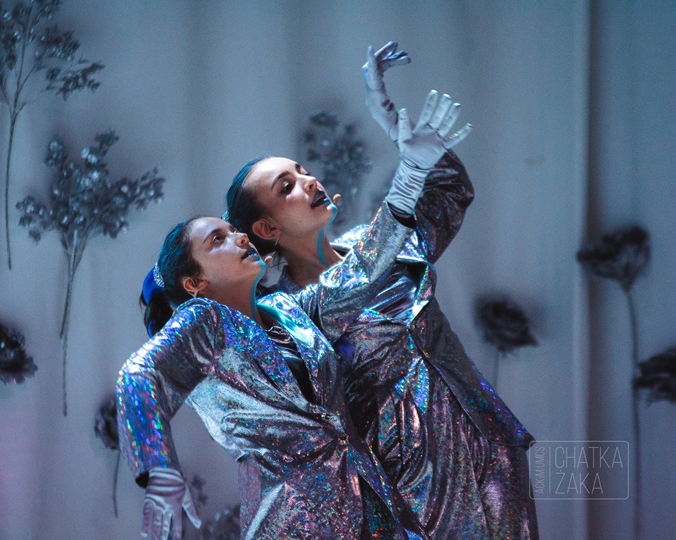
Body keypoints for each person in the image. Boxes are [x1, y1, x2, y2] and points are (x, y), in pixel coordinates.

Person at [224, 42, 539, 538]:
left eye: (303, 171)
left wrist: (394, 128)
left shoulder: (375, 241)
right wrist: (409, 174)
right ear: (266, 228)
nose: (308, 182)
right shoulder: (288, 311)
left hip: (486, 443)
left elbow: (450, 195)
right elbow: (354, 281)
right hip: (411, 479)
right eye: (286, 187)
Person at [116, 89, 456, 540]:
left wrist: (411, 174)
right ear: (195, 283)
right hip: (293, 525)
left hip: (374, 514)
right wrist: (157, 466)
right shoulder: (204, 324)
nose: (239, 239)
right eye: (217, 241)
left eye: (234, 231)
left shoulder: (291, 309)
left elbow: (363, 268)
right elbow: (140, 376)